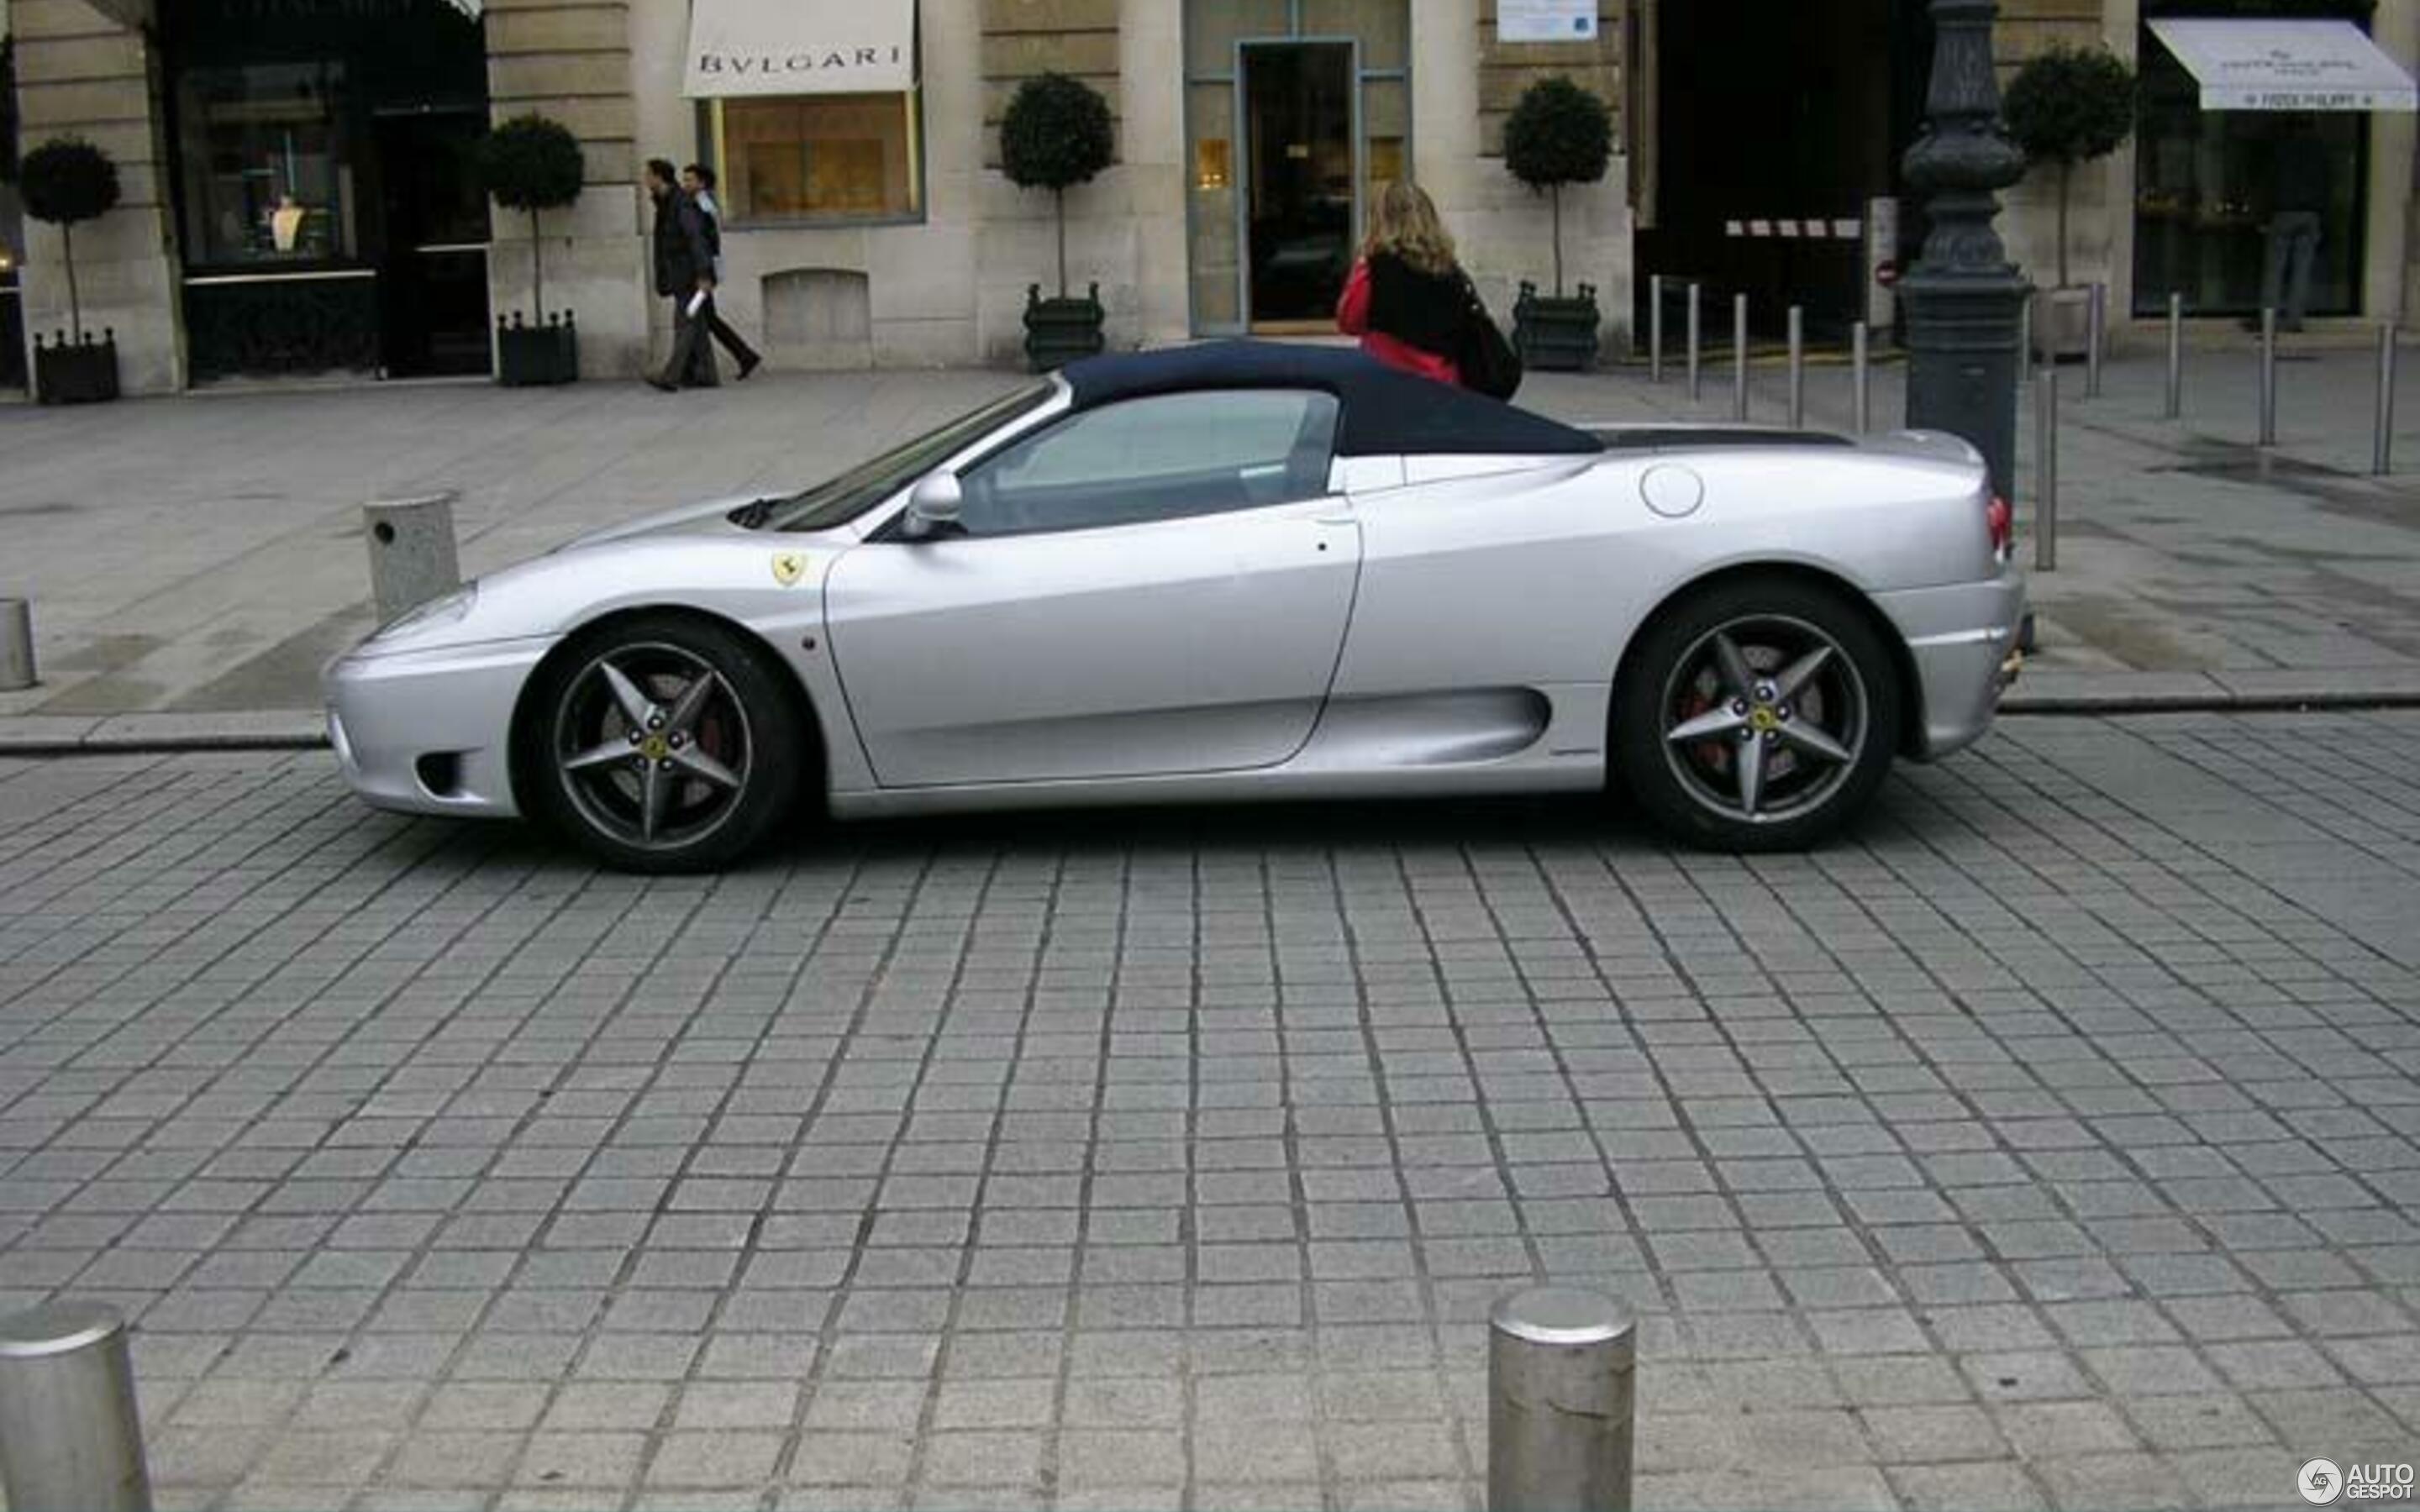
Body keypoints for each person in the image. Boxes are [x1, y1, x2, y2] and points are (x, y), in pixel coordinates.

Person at [1335, 180, 1465, 386]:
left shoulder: (1375, 268)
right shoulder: (1449, 269)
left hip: (1386, 379)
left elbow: (1349, 322)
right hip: (1443, 382)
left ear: (1381, 220)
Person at [681, 163, 760, 380]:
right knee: (705, 318)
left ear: (701, 183)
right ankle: (744, 355)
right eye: (685, 179)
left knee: (696, 318)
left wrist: (704, 273)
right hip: (708, 268)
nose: (685, 183)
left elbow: (705, 242)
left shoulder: (703, 206)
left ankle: (687, 368)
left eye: (689, 179)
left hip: (705, 270)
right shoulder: (701, 203)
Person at [645, 157, 718, 391]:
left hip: (689, 273)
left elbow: (695, 239)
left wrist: (704, 274)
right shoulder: (666, 202)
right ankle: (707, 373)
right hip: (680, 273)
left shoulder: (681, 204)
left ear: (659, 177)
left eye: (648, 175)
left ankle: (670, 376)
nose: (645, 180)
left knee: (685, 323)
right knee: (696, 325)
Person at [2260, 116, 2328, 333]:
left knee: (2275, 268)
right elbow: (2328, 182)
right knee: (2302, 270)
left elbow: (2269, 182)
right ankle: (2294, 319)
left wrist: (2263, 216)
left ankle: (2269, 317)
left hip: (2283, 211)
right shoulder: (2320, 150)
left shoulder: (2280, 149)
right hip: (2311, 213)